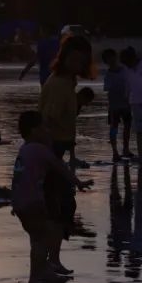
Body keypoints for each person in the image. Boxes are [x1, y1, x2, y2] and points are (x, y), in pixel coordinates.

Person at [12, 111, 91, 283]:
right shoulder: (40, 150)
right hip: (32, 201)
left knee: (37, 236)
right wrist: (78, 182)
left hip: (20, 201)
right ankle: (35, 277)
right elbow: (60, 167)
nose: (47, 131)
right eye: (44, 127)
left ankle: (45, 271)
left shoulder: (25, 148)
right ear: (34, 130)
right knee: (44, 236)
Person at [39, 34, 95, 226]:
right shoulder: (60, 84)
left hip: (57, 148)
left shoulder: (68, 81)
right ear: (63, 57)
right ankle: (53, 247)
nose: (77, 65)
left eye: (81, 61)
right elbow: (47, 119)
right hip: (51, 148)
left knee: (62, 203)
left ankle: (55, 247)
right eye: (73, 60)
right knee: (60, 204)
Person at [102, 48, 133, 163]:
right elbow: (107, 89)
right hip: (114, 105)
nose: (111, 60)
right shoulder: (108, 74)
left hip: (126, 104)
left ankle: (126, 149)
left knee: (127, 127)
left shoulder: (125, 69)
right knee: (113, 128)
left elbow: (130, 84)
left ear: (116, 57)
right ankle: (115, 152)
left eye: (112, 57)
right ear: (106, 62)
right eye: (108, 59)